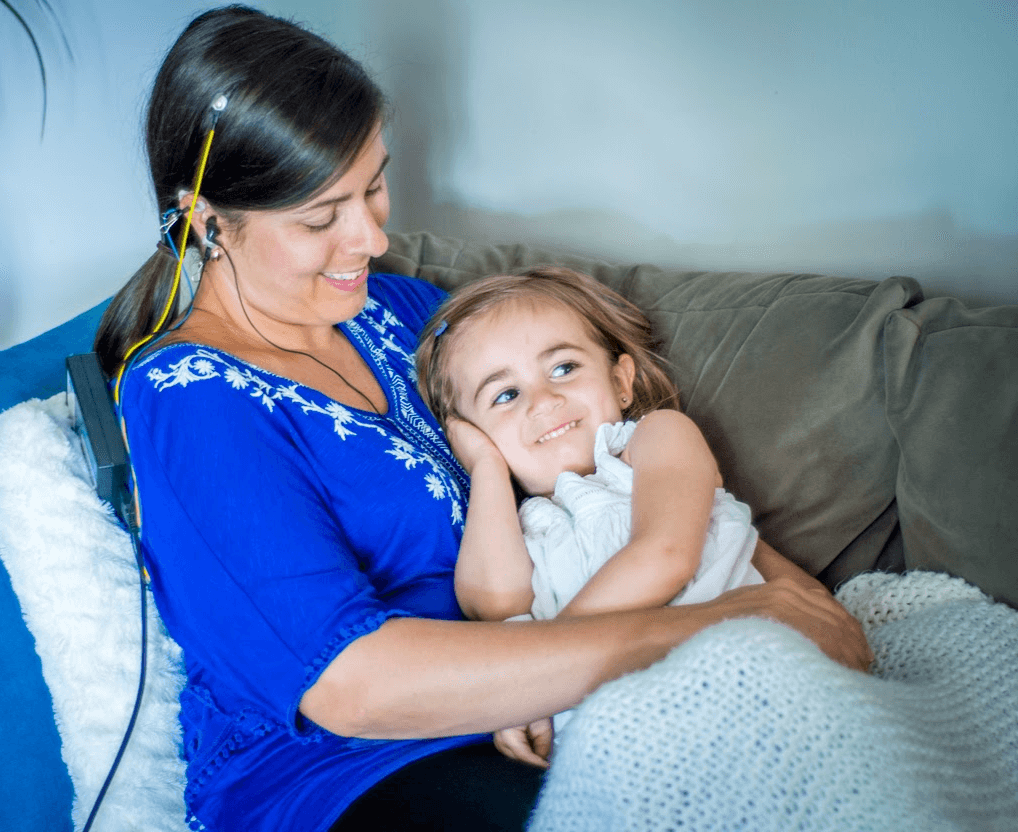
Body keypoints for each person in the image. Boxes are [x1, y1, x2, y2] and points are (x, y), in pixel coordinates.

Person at [93, 6, 871, 831]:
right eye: (322, 218)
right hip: (355, 769)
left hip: (549, 703)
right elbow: (353, 686)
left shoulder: (396, 313)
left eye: (374, 184)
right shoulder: (189, 397)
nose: (370, 235)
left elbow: (629, 465)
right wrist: (728, 621)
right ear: (208, 221)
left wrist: (802, 601)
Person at [414, 266, 769, 745]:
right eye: (506, 395)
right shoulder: (523, 526)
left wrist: (537, 679)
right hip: (627, 730)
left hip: (739, 676)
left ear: (622, 381)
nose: (543, 400)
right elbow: (494, 605)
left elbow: (665, 554)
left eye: (564, 368)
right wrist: (487, 469)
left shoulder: (654, 439)